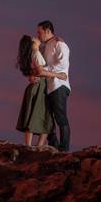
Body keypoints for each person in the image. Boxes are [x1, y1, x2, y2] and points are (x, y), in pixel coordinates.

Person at [16, 35, 66, 146]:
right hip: (40, 87)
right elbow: (40, 72)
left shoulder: (31, 55)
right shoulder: (36, 54)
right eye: (33, 39)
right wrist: (58, 75)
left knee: (33, 114)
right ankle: (37, 146)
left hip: (35, 87)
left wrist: (58, 39)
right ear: (32, 44)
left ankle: (30, 145)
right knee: (43, 115)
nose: (36, 38)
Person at [36, 20, 71, 151]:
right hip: (48, 87)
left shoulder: (60, 44)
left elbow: (62, 66)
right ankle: (54, 147)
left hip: (59, 86)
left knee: (60, 118)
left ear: (48, 31)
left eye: (40, 33)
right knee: (47, 119)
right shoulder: (46, 46)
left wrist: (44, 71)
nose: (38, 35)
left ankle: (64, 149)